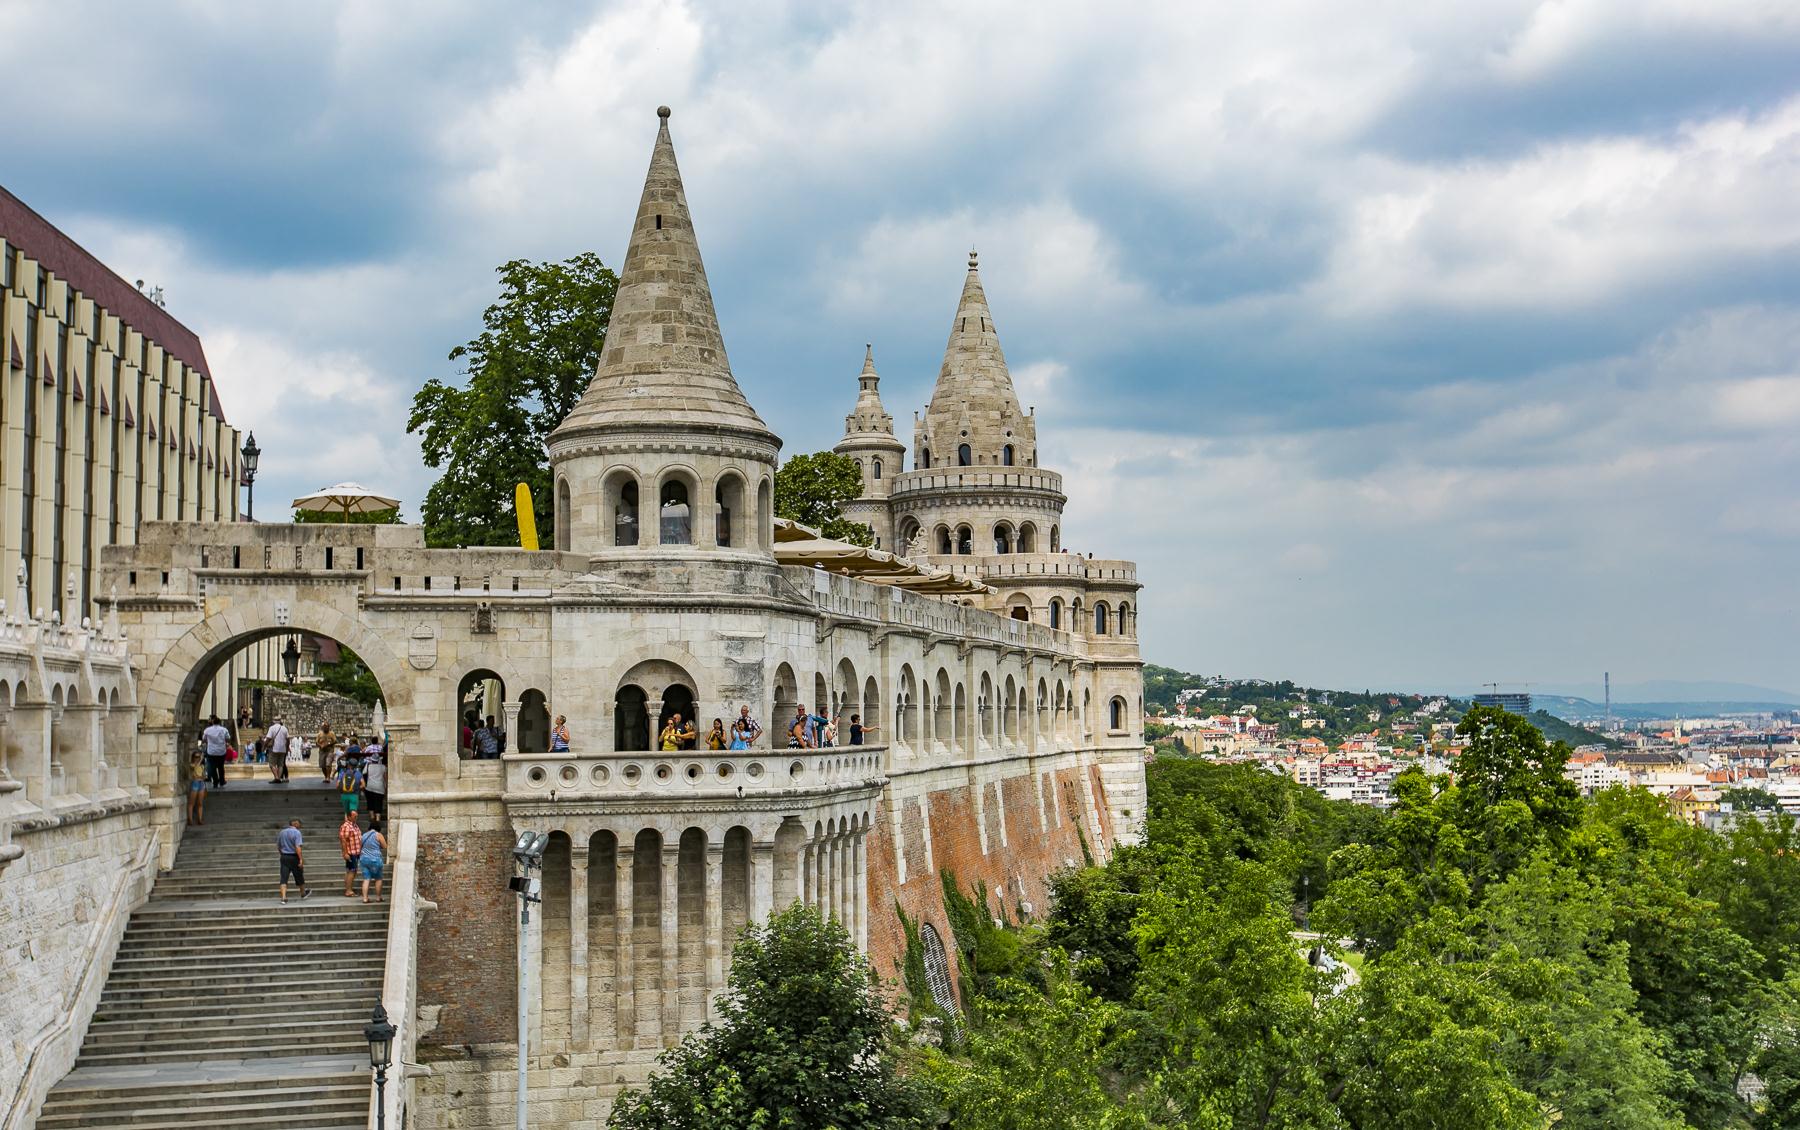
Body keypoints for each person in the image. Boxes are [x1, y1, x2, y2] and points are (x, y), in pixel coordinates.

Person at [277, 818, 309, 904]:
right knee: (299, 875)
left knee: (284, 877)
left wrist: (283, 854)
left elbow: (278, 846)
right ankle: (303, 893)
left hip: (284, 857)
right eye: (299, 824)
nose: (300, 826)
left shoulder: (282, 832)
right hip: (294, 857)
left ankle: (283, 897)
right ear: (295, 824)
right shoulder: (297, 833)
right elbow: (298, 847)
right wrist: (301, 859)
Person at [359, 818, 387, 904]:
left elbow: (360, 847)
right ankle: (378, 897)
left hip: (364, 860)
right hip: (375, 860)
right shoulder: (378, 835)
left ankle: (365, 898)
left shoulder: (363, 835)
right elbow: (385, 846)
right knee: (378, 879)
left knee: (366, 879)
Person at [200, 715, 231, 788]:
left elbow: (204, 739)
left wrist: (209, 741)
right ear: (219, 722)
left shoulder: (207, 730)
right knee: (221, 767)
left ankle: (215, 781)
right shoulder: (224, 730)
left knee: (212, 767)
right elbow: (228, 738)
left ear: (213, 722)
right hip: (221, 751)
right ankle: (222, 781)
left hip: (211, 751)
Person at [339, 811, 363, 897]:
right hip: (351, 852)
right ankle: (348, 891)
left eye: (357, 816)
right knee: (352, 871)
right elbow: (343, 840)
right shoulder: (346, 826)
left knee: (352, 871)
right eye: (354, 816)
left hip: (356, 852)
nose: (356, 818)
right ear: (349, 817)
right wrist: (345, 853)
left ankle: (348, 889)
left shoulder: (355, 825)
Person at [333, 752, 363, 817]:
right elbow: (363, 785)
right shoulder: (358, 773)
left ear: (348, 764)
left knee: (346, 813)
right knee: (353, 810)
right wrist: (356, 788)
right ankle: (352, 825)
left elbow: (337, 785)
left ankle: (346, 825)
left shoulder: (342, 773)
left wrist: (342, 789)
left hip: (344, 795)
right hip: (354, 795)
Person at [362, 750, 387, 817]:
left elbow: (363, 774)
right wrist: (386, 787)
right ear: (378, 760)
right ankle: (378, 819)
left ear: (372, 759)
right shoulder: (383, 767)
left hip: (369, 787)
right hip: (380, 787)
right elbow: (385, 778)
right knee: (379, 803)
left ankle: (372, 817)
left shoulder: (368, 766)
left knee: (370, 803)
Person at [186, 751, 208, 826]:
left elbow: (204, 776)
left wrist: (201, 777)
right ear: (193, 757)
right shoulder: (192, 765)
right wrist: (201, 760)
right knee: (192, 802)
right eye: (196, 757)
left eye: (199, 757)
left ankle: (200, 819)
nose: (198, 758)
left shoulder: (201, 766)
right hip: (195, 783)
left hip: (201, 784)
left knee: (200, 803)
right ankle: (190, 820)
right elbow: (194, 769)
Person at [266, 718, 290, 783]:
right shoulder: (284, 728)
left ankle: (276, 777)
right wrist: (287, 748)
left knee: (271, 764)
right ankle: (279, 778)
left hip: (274, 749)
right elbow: (288, 739)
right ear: (280, 721)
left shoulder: (272, 728)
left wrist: (264, 746)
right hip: (283, 749)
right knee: (281, 764)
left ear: (274, 721)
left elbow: (268, 738)